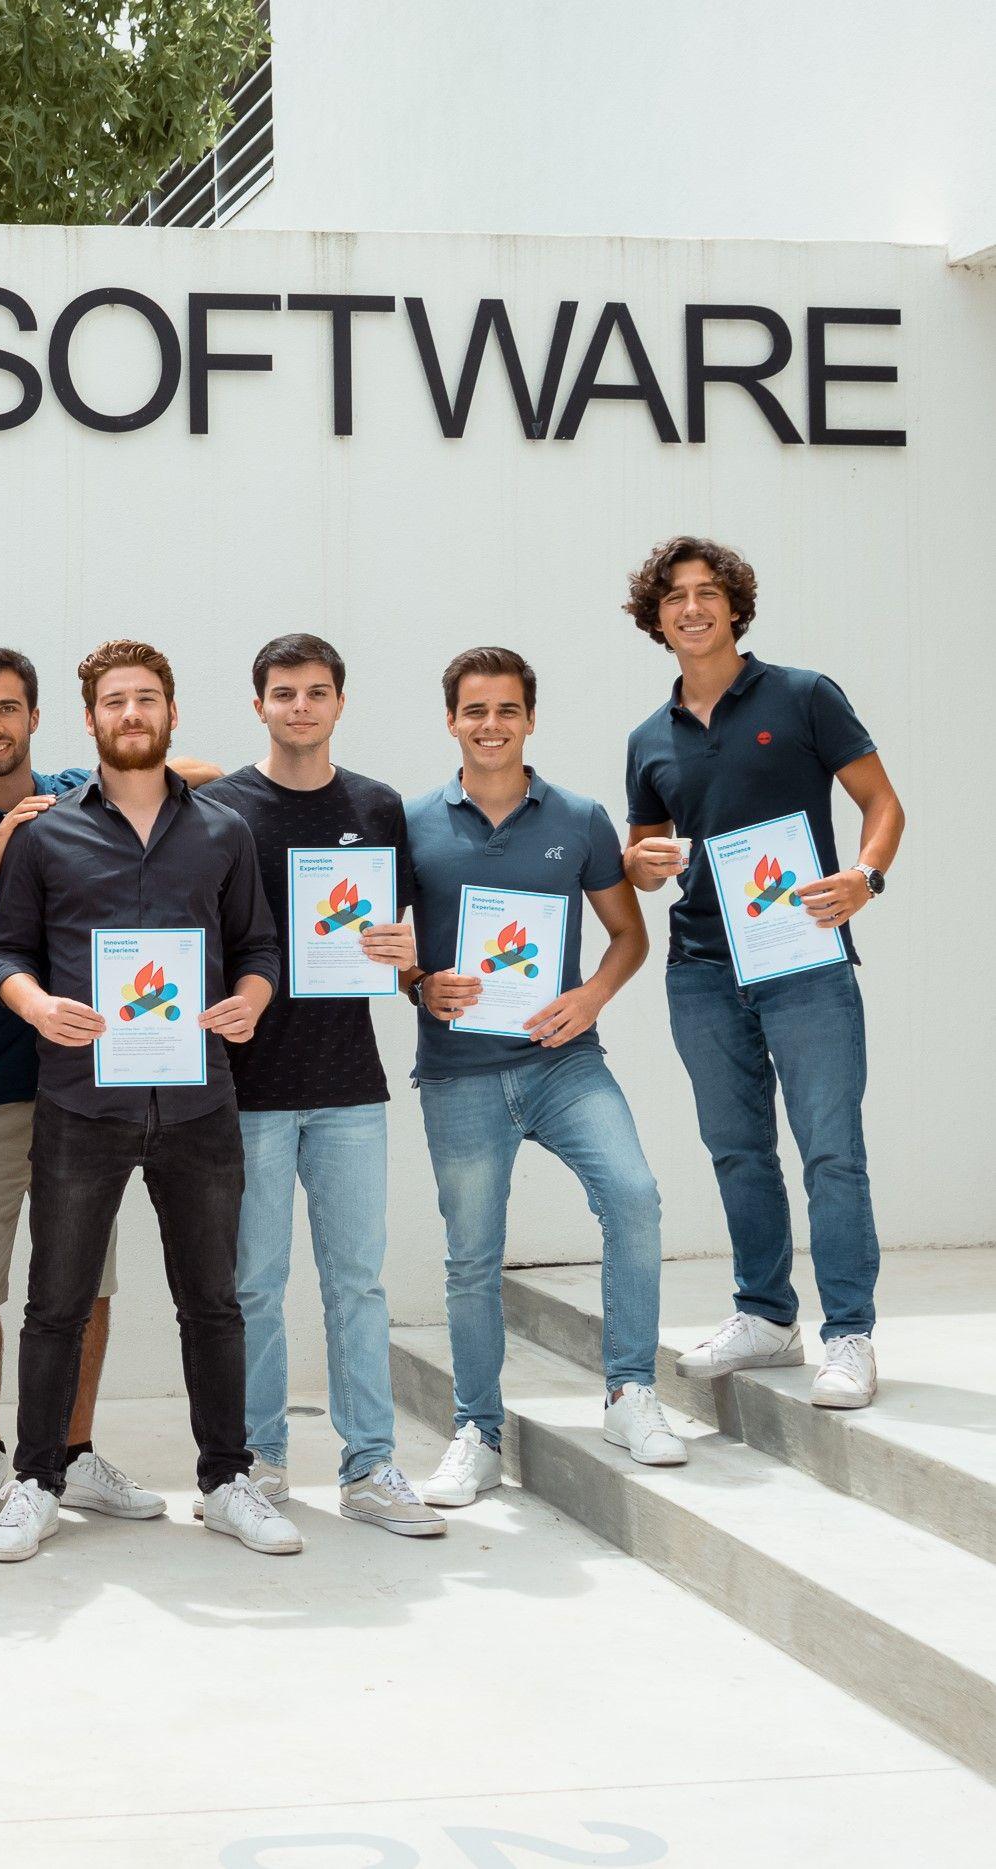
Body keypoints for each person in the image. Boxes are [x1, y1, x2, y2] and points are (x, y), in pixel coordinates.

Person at [0, 640, 300, 1562]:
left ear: (170, 712)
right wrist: (38, 1004)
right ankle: (37, 1482)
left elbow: (260, 945)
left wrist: (252, 999)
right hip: (81, 1104)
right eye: (115, 701)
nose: (131, 713)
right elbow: (6, 954)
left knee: (213, 1302)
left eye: (147, 698)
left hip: (200, 1102)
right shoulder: (48, 833)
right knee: (56, 1302)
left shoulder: (223, 830)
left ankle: (226, 1480)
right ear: (89, 719)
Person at [619, 538, 906, 1410]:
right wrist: (642, 865)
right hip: (701, 968)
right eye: (675, 597)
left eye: (709, 593)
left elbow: (882, 803)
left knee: (831, 1151)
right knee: (738, 1150)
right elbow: (640, 849)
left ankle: (849, 1333)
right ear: (656, 615)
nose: (693, 608)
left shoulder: (804, 695)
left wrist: (865, 875)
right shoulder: (647, 737)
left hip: (803, 961)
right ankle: (766, 1315)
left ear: (735, 605)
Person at [402, 647, 685, 1509]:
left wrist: (593, 997)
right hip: (458, 1073)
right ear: (450, 719)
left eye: (508, 709)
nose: (492, 724)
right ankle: (477, 1431)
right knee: (471, 1258)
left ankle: (629, 1393)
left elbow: (628, 935)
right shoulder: (410, 823)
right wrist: (418, 982)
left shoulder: (582, 816)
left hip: (564, 1062)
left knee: (633, 1194)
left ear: (530, 718)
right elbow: (371, 944)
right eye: (475, 710)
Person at [0, 648, 166, 1524]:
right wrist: (8, 837)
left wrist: (163, 760)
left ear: (37, 716)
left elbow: (183, 774)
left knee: (86, 1280)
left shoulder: (76, 789)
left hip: (84, 1087)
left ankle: (76, 1451)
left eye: (8, 709)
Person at [206, 634, 441, 1537]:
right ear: (257, 702)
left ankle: (371, 1467)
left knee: (357, 1284)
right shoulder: (221, 807)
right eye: (283, 692)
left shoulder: (377, 807)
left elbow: (406, 938)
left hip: (349, 1085)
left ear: (340, 702)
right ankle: (260, 1462)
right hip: (250, 1089)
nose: (299, 706)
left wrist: (412, 956)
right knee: (254, 1285)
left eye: (316, 692)